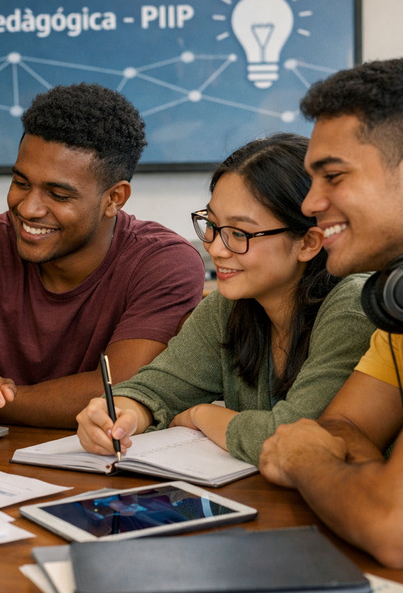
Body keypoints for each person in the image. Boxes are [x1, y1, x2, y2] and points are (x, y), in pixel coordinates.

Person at [258, 58, 403, 593]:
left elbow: (398, 525)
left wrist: (304, 456)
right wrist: (359, 473)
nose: (310, 204)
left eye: (333, 176)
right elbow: (342, 423)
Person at [0, 83, 205, 428]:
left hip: (114, 464)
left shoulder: (164, 263)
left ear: (114, 198)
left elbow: (119, 391)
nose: (27, 208)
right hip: (0, 461)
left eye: (58, 194)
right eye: (21, 182)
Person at [76, 134, 374, 464]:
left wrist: (201, 415)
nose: (216, 249)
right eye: (213, 225)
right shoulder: (228, 306)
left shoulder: (353, 306)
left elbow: (292, 437)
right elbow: (157, 388)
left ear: (308, 243)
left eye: (240, 233)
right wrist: (119, 412)